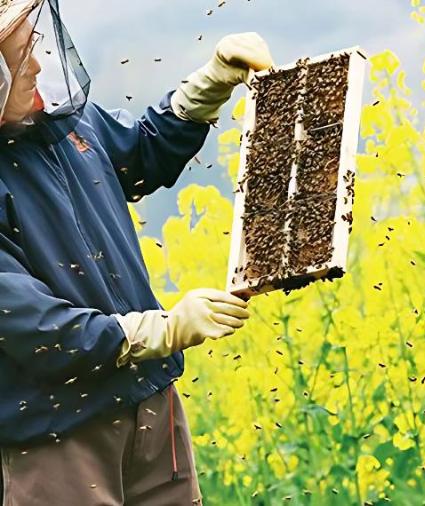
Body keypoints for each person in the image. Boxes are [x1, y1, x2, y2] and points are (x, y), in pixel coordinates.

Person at [0, 0, 273, 503]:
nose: (36, 63)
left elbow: (142, 153)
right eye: (17, 57)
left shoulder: (65, 125)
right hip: (60, 434)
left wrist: (211, 82)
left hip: (152, 404)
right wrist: (165, 328)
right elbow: (34, 328)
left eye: (35, 45)